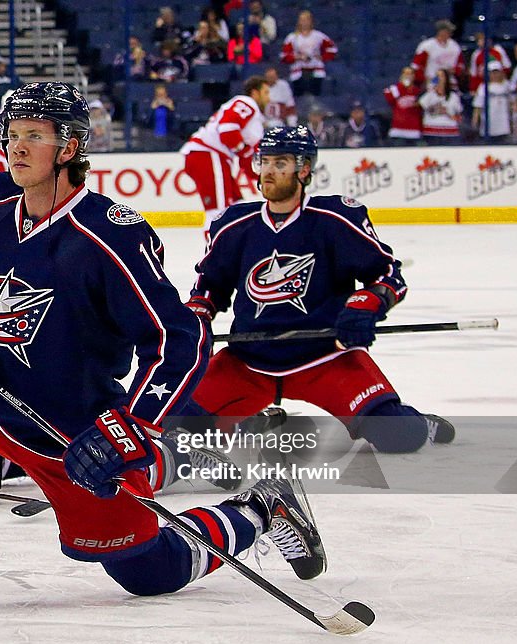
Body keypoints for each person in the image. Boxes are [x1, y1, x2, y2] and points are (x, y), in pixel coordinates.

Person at [0, 82, 325, 610]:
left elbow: (178, 338)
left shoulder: (111, 235)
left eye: (33, 135)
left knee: (149, 570)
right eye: (11, 133)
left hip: (67, 431)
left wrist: (134, 426)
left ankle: (259, 509)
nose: (16, 146)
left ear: (69, 147)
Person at [187, 126, 455, 463]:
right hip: (248, 362)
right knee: (175, 424)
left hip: (326, 358)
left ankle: (418, 421)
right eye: (264, 161)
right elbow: (209, 288)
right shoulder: (233, 224)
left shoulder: (335, 219)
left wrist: (367, 304)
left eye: (280, 163)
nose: (268, 171)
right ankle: (250, 421)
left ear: (304, 169)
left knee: (399, 435)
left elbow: (388, 275)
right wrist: (197, 318)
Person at [180, 76, 269, 230]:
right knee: (218, 213)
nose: (269, 98)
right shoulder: (246, 103)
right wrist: (243, 149)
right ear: (255, 93)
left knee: (236, 207)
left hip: (213, 157)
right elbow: (227, 130)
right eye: (266, 93)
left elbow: (247, 160)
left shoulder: (254, 119)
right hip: (207, 154)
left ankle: (236, 248)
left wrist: (263, 177)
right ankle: (215, 253)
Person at [279, 10, 337, 96]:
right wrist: (298, 57)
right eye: (302, 20)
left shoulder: (318, 36)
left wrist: (323, 57)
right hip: (298, 72)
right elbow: (284, 56)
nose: (304, 22)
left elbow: (333, 49)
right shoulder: (292, 37)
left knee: (316, 96)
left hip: (316, 71)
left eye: (306, 19)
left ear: (311, 21)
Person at [410, 19, 463, 87]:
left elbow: (460, 64)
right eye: (448, 31)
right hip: (432, 81)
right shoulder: (427, 46)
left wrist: (455, 70)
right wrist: (423, 80)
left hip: (450, 81)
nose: (450, 33)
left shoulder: (454, 46)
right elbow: (416, 66)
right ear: (441, 31)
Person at [472, 61, 515, 142]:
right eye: (492, 72)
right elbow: (478, 107)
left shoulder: (507, 86)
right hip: (488, 128)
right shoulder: (483, 88)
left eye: (496, 72)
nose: (495, 75)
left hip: (504, 128)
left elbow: (513, 103)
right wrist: (475, 123)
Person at [419, 69, 463, 144]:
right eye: (437, 76)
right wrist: (431, 90)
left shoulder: (454, 96)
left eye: (441, 76)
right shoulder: (429, 94)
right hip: (431, 131)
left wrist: (447, 113)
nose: (439, 78)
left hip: (449, 132)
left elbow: (459, 114)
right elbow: (421, 105)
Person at [383, 66, 422, 145]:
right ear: (402, 75)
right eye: (406, 73)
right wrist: (402, 87)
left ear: (414, 76)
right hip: (398, 131)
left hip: (413, 131)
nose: (408, 76)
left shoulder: (418, 91)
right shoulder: (395, 89)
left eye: (410, 73)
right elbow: (389, 99)